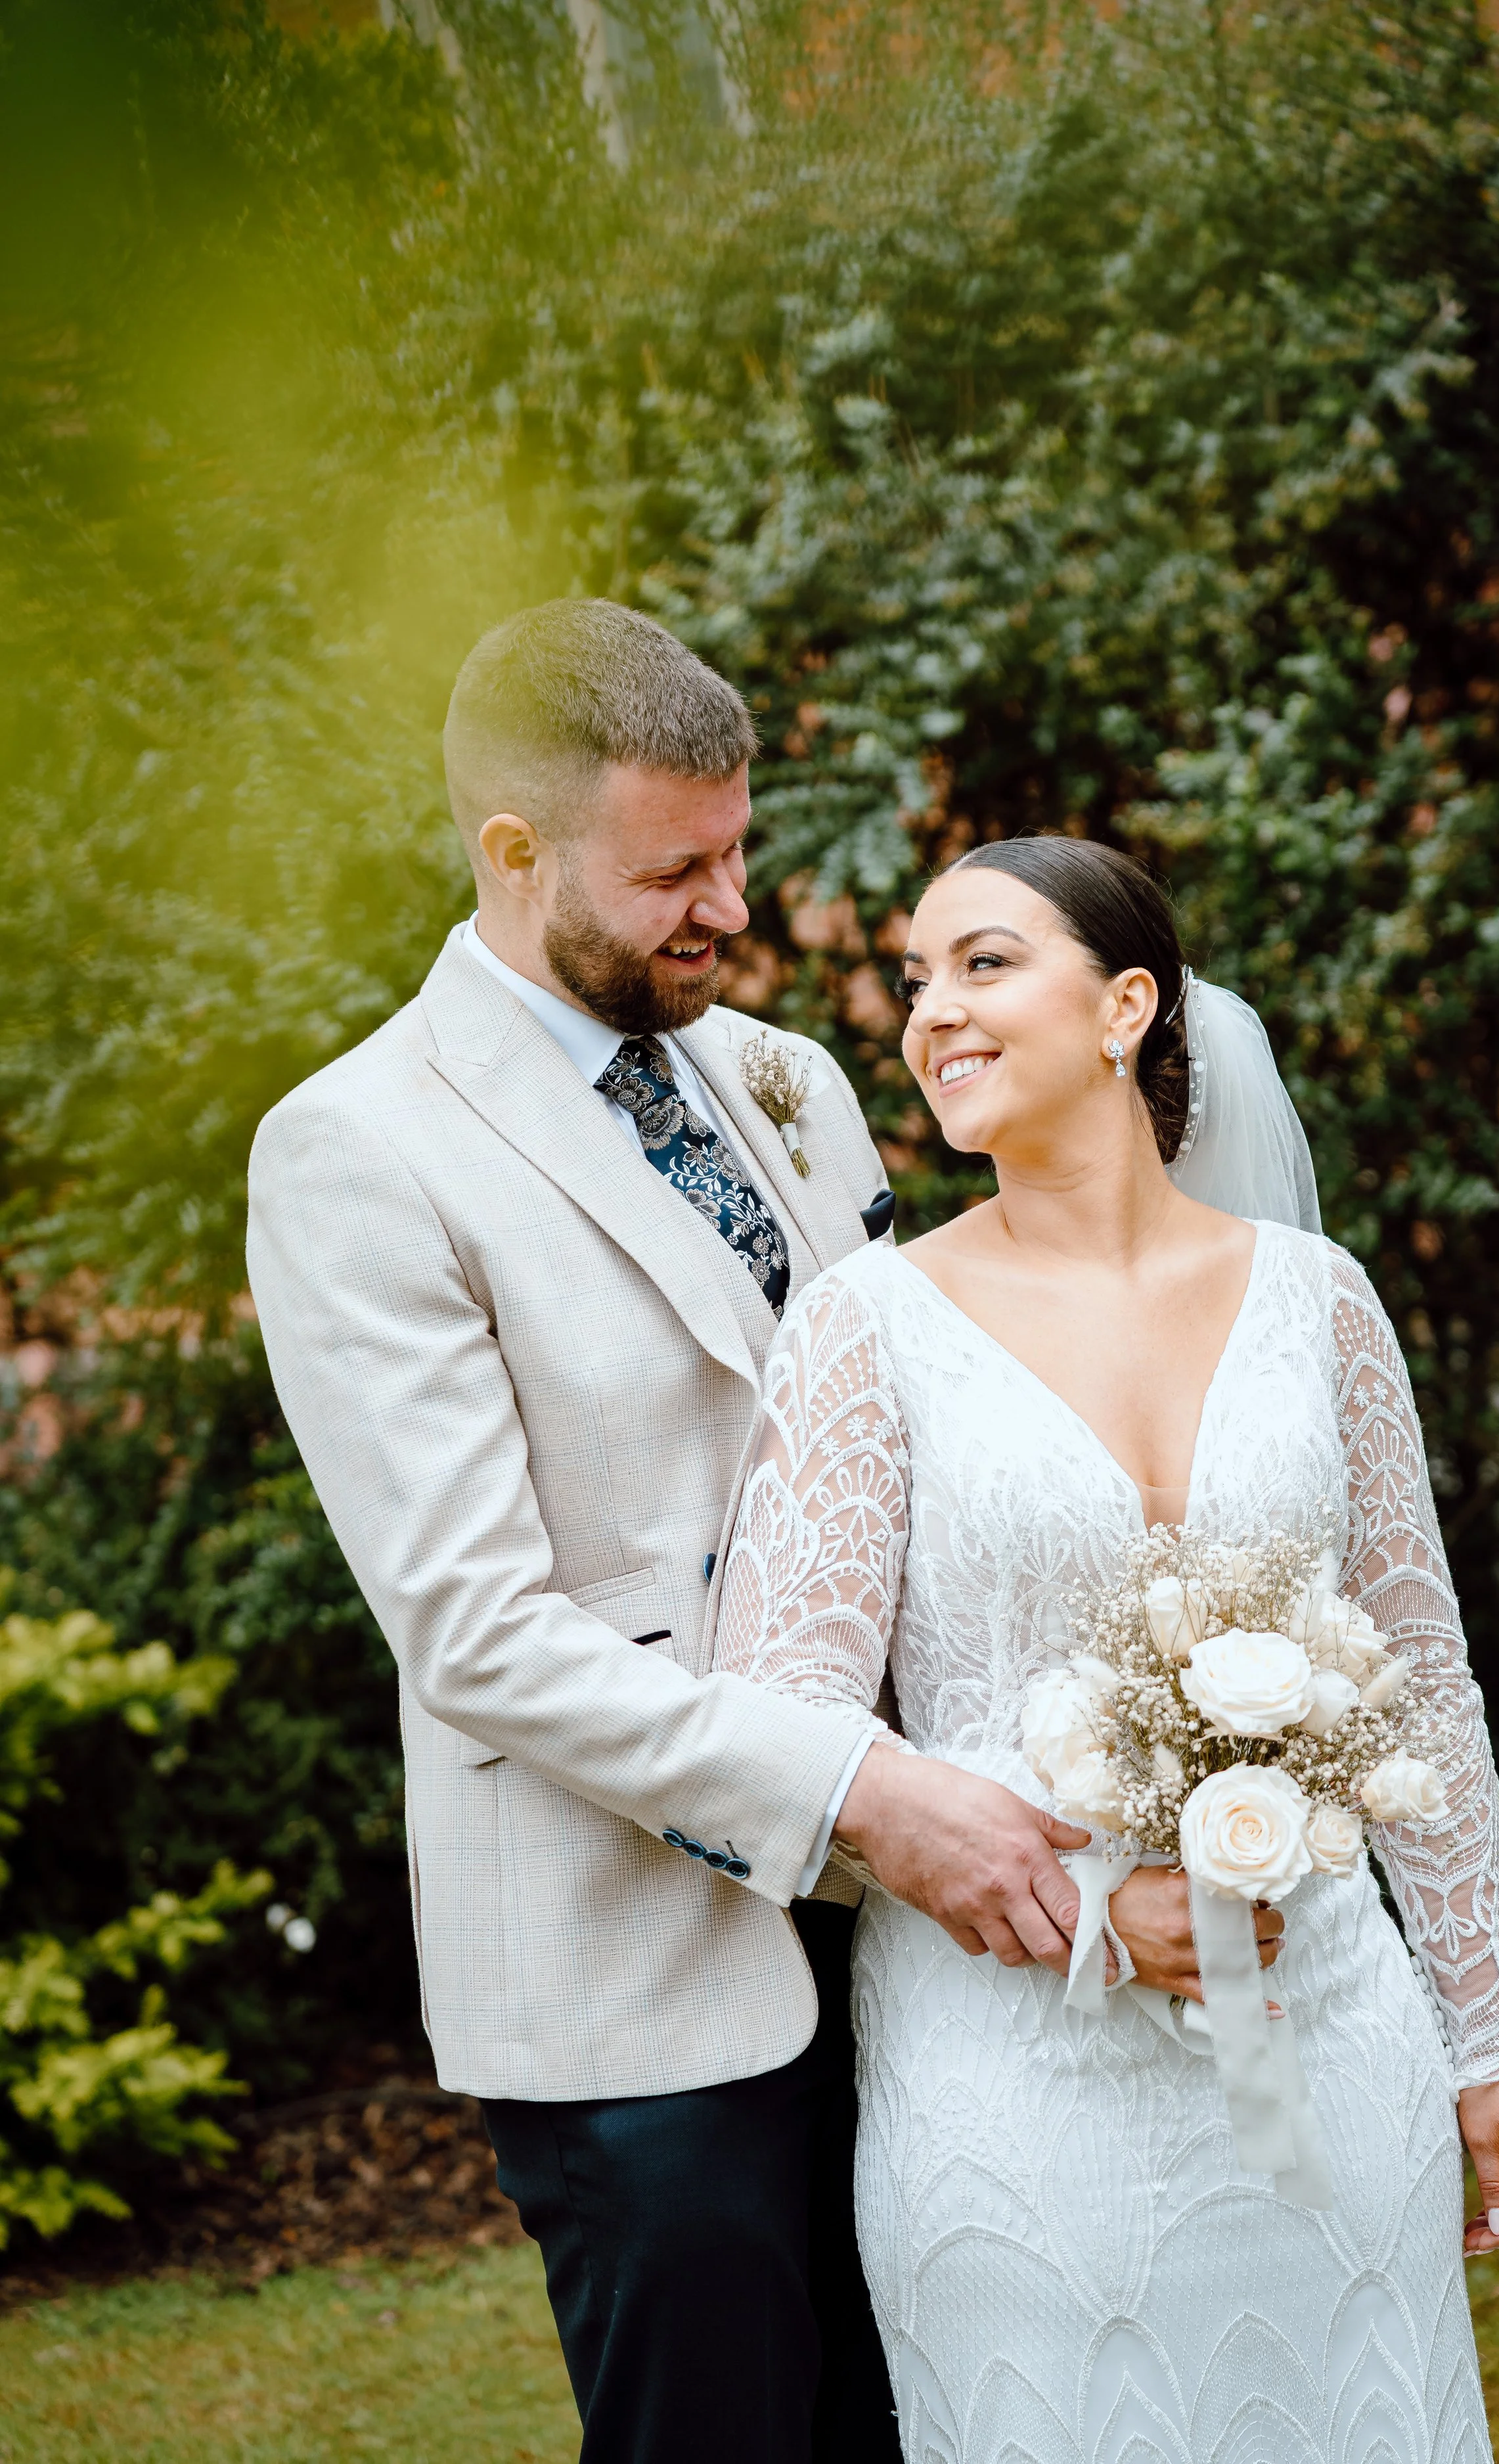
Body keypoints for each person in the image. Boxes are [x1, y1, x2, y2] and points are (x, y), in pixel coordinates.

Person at [245, 601, 1094, 2464]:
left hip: (906, 1961)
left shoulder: (777, 1077)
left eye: (736, 850)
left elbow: (910, 1443)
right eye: (674, 871)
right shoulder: (359, 1149)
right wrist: (858, 1789)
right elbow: (479, 1636)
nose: (730, 905)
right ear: (513, 849)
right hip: (630, 1979)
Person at [713, 834, 1499, 2463]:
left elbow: (1421, 1685)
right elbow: (782, 1729)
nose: (928, 1014)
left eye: (981, 964)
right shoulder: (861, 1326)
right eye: (911, 981)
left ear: (1123, 1006)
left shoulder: (1321, 1304)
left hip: (1329, 2037)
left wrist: (1485, 2043)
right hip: (1019, 2086)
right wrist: (1092, 1916)